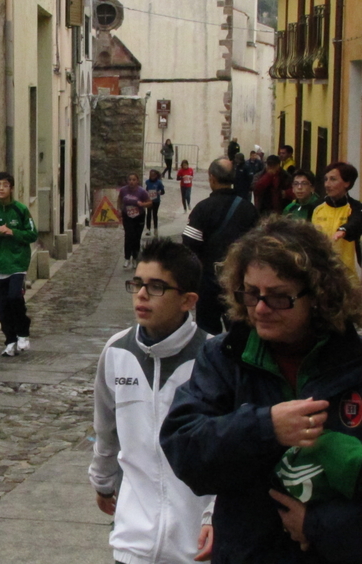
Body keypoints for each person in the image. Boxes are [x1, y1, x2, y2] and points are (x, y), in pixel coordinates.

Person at [161, 216, 362, 563]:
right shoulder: (226, 356)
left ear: (317, 295)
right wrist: (265, 427)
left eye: (280, 297)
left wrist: (320, 526)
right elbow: (184, 448)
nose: (262, 308)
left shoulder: (354, 363)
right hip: (248, 550)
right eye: (252, 294)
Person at [89, 238, 214, 564]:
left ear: (188, 300)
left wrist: (213, 513)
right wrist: (103, 480)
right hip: (133, 544)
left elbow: (228, 450)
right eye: (138, 284)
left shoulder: (213, 360)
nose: (142, 295)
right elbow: (106, 426)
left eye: (157, 287)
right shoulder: (117, 352)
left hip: (195, 546)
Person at [183, 156, 259, 335]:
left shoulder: (202, 209)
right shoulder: (248, 209)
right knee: (239, 330)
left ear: (212, 178)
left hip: (208, 280)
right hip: (239, 282)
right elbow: (258, 246)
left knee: (207, 331)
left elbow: (189, 246)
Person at [0, 172, 37, 357]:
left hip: (17, 262)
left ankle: (23, 333)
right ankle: (10, 341)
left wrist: (13, 232)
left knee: (14, 298)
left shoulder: (20, 210)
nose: (1, 188)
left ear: (11, 188)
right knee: (2, 307)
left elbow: (32, 234)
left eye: (5, 185)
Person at [311, 162, 362, 274]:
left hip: (348, 273)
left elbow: (357, 222)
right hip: (321, 271)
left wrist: (343, 230)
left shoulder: (355, 207)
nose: (327, 184)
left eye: (333, 179)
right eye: (326, 179)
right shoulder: (316, 207)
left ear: (347, 183)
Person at [117, 173, 151, 269]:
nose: (131, 182)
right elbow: (119, 199)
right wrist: (119, 209)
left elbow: (150, 203)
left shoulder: (142, 191)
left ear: (137, 181)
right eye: (130, 179)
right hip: (127, 215)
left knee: (136, 237)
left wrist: (142, 204)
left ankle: (135, 258)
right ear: (127, 181)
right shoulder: (124, 190)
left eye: (133, 180)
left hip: (139, 216)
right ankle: (127, 258)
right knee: (128, 235)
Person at [144, 169, 164, 237]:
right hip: (149, 201)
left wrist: (159, 192)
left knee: (154, 214)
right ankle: (148, 229)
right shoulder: (147, 182)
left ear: (156, 176)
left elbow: (163, 191)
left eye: (153, 175)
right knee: (148, 214)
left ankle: (155, 229)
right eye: (151, 175)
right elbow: (147, 189)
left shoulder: (159, 183)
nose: (152, 176)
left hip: (156, 201)